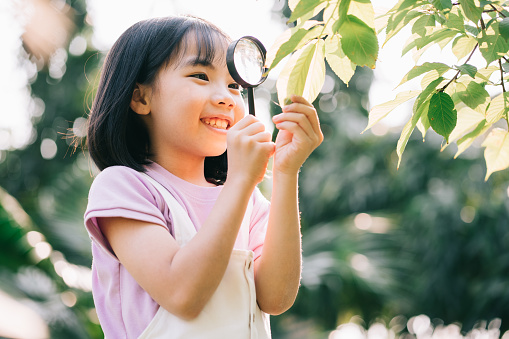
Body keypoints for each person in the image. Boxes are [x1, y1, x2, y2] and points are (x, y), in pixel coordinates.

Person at [84, 15, 323, 338]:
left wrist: (286, 172)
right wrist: (239, 181)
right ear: (141, 98)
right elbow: (182, 294)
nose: (226, 96)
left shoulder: (249, 199)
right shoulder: (122, 188)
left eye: (234, 85)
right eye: (200, 75)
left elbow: (275, 296)